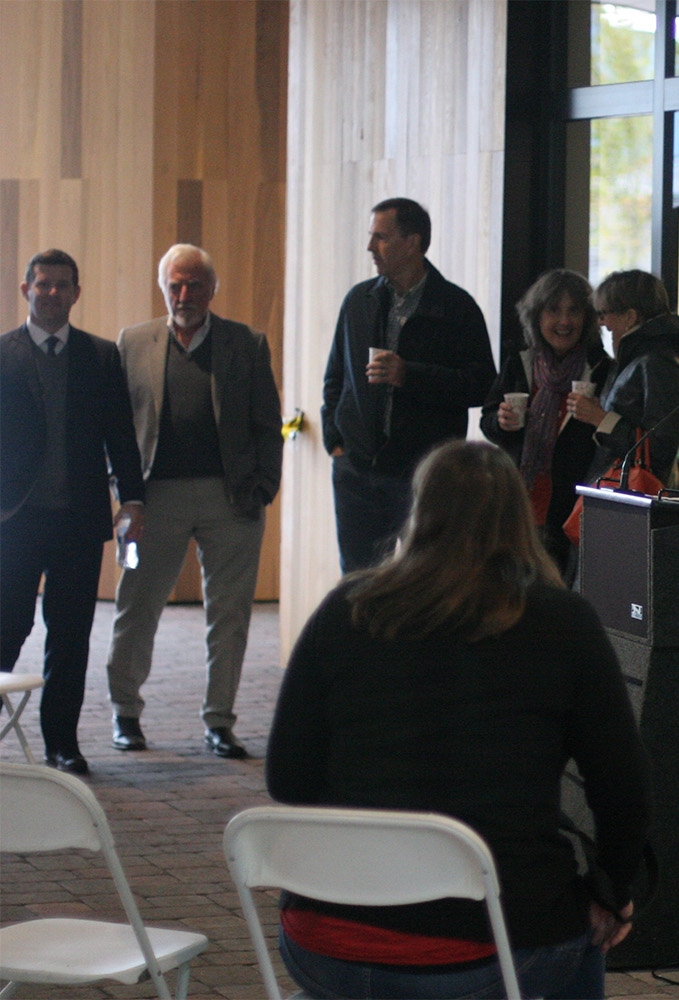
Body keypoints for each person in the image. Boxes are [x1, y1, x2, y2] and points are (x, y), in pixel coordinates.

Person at [266, 441, 650, 1000]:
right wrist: (614, 893)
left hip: (328, 941)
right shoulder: (563, 624)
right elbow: (624, 787)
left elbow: (288, 780)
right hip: (490, 944)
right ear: (520, 521)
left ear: (418, 514)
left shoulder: (347, 609)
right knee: (586, 932)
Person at [105, 244, 283, 760]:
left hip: (231, 499)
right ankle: (125, 714)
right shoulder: (132, 342)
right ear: (162, 287)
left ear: (213, 289)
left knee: (229, 615)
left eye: (195, 285)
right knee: (135, 606)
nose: (185, 296)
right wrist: (124, 495)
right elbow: (117, 429)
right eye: (175, 285)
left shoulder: (246, 344)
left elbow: (266, 424)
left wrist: (264, 486)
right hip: (150, 499)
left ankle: (219, 722)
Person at [0, 249, 146, 776]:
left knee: (69, 637)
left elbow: (120, 437)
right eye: (43, 285)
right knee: (5, 628)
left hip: (78, 523)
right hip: (13, 522)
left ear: (76, 293)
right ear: (25, 290)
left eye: (63, 285)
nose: (52, 293)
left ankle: (62, 744)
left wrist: (132, 498)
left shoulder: (101, 356)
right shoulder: (2, 354)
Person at [322, 197, 496, 572]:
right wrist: (335, 440)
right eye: (371, 237)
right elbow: (336, 376)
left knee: (430, 577)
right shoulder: (359, 301)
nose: (370, 247)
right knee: (358, 583)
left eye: (381, 238)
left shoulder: (456, 308)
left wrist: (409, 375)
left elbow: (481, 386)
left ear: (413, 242)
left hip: (426, 475)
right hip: (357, 470)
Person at [481, 270, 612, 576]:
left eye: (574, 311)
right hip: (518, 505)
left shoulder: (601, 368)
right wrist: (501, 422)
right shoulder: (520, 361)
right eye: (553, 310)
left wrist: (596, 416)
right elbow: (488, 421)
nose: (564, 322)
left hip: (572, 509)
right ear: (536, 316)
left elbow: (611, 442)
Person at [568, 270, 679, 489]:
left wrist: (600, 419)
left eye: (604, 313)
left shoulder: (657, 363)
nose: (601, 322)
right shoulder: (638, 359)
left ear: (630, 317)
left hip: (639, 499)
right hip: (627, 495)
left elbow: (660, 447)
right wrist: (602, 414)